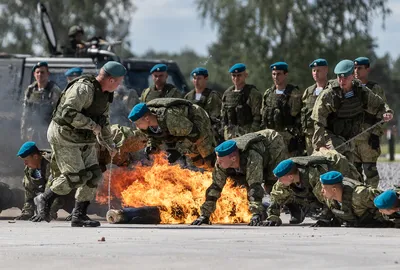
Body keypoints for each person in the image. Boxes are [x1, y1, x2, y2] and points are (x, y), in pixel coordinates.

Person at [33, 61, 125, 227]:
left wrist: (110, 144)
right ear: (111, 80)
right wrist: (91, 125)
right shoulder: (84, 89)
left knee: (94, 175)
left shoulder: (104, 94)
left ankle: (79, 215)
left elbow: (104, 122)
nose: (119, 85)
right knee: (76, 177)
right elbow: (68, 113)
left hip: (84, 138)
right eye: (118, 81)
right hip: (64, 135)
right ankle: (44, 198)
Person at [191, 130, 288, 226]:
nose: (218, 163)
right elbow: (215, 188)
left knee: (271, 183)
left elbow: (255, 185)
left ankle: (294, 204)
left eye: (221, 161)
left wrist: (255, 213)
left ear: (233, 158)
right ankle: (261, 211)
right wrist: (204, 215)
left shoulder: (252, 157)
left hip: (272, 144)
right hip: (245, 160)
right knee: (245, 182)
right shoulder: (221, 162)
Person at [311, 60, 393, 162]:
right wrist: (320, 145)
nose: (342, 80)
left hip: (351, 137)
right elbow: (318, 120)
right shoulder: (329, 94)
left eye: (345, 77)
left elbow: (379, 104)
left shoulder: (361, 91)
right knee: (338, 160)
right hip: (331, 137)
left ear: (353, 76)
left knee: (353, 169)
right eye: (339, 77)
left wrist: (387, 112)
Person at [264, 150, 361, 226]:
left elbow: (328, 196)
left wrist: (325, 218)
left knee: (348, 196)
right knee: (287, 193)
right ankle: (301, 209)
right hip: (309, 190)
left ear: (290, 177)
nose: (279, 181)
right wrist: (273, 217)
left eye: (280, 179)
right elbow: (276, 197)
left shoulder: (312, 175)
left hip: (338, 164)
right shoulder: (284, 179)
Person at [128, 99, 216, 167]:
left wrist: (178, 151)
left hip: (196, 119)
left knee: (208, 158)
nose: (137, 127)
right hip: (182, 129)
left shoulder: (170, 119)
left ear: (147, 118)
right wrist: (152, 146)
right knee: (198, 161)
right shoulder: (146, 125)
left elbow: (194, 134)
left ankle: (225, 175)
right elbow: (153, 135)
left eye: (138, 123)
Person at [353, 57, 388, 188]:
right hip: (352, 138)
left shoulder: (375, 89)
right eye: (355, 68)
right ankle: (357, 204)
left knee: (370, 173)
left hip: (368, 138)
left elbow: (382, 112)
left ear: (367, 69)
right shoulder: (349, 87)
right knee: (353, 174)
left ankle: (371, 201)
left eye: (359, 68)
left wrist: (375, 134)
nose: (356, 71)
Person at [314, 171, 391, 227]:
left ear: (334, 190)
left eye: (324, 188)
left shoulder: (360, 194)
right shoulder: (330, 199)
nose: (321, 191)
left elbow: (388, 198)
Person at [261, 62, 303, 156]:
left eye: (279, 74)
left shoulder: (294, 94)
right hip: (270, 139)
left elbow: (298, 118)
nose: (276, 77)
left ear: (285, 74)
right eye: (273, 74)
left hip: (287, 140)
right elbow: (263, 116)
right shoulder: (268, 93)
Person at [21, 61, 61, 148]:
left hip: (47, 131)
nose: (40, 75)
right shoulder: (30, 90)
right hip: (32, 131)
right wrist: (23, 131)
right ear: (34, 74)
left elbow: (58, 114)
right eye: (37, 72)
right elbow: (25, 112)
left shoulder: (54, 90)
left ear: (48, 73)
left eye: (42, 72)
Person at [221, 63, 262, 140]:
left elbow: (257, 118)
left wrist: (252, 135)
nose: (236, 78)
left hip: (247, 136)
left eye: (239, 75)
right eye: (234, 75)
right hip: (229, 136)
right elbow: (223, 116)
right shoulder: (227, 93)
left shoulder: (253, 93)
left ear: (245, 75)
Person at [184, 67, 223, 143]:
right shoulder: (188, 96)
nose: (196, 81)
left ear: (206, 78)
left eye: (199, 78)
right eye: (194, 78)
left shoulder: (213, 95)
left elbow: (216, 117)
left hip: (209, 134)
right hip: (192, 135)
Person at [301, 59, 329, 154]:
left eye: (318, 70)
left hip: (327, 137)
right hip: (310, 138)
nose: (315, 73)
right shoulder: (308, 92)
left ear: (326, 70)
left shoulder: (331, 89)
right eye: (314, 71)